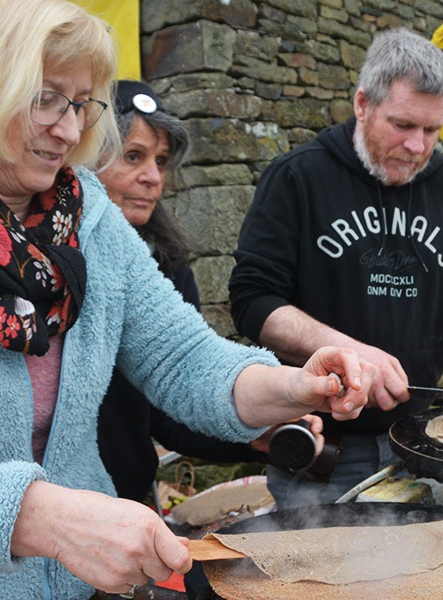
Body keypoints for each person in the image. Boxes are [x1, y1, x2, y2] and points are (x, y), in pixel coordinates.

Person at [0, 2, 372, 599]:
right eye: (44, 99)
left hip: (70, 587)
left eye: (81, 103)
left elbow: (178, 354)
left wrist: (287, 386)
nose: (68, 129)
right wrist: (46, 519)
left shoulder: (87, 220)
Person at [229, 28, 443, 508]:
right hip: (324, 451)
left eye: (432, 130)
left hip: (425, 440)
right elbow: (253, 302)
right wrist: (349, 352)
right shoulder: (298, 178)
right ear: (362, 104)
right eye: (403, 125)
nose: (419, 146)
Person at [96, 80, 323, 503]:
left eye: (160, 161)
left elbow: (176, 398)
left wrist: (254, 428)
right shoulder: (41, 265)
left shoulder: (168, 269)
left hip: (128, 504)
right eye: (133, 157)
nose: (152, 178)